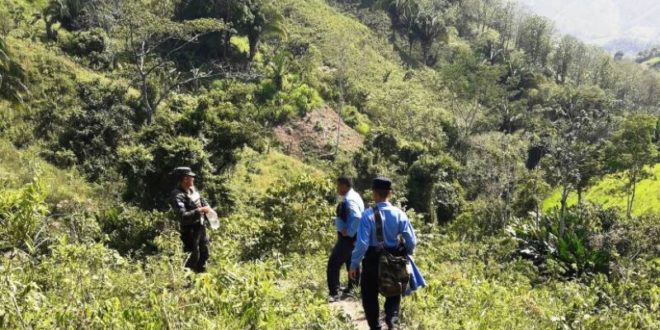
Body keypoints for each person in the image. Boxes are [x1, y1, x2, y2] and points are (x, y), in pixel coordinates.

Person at [349, 176, 417, 330]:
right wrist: (406, 253)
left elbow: (362, 244)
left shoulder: (368, 215)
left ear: (374, 193)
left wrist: (354, 264)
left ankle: (375, 327)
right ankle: (392, 324)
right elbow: (411, 241)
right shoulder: (400, 214)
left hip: (373, 260)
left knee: (369, 295)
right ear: (390, 193)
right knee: (394, 293)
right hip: (394, 259)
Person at [327, 175, 365, 302]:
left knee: (333, 263)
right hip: (354, 237)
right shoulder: (355, 196)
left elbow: (357, 217)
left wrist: (348, 232)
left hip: (348, 238)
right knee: (351, 261)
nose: (337, 188)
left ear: (344, 185)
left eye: (338, 185)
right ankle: (352, 288)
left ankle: (334, 292)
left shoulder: (350, 199)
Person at [169, 167, 212, 273]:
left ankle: (202, 279)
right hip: (189, 230)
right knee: (192, 257)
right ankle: (189, 282)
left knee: (204, 253)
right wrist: (200, 210)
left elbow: (201, 199)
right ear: (184, 179)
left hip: (200, 226)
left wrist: (207, 207)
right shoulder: (178, 196)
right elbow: (183, 216)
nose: (193, 179)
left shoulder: (192, 189)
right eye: (191, 177)